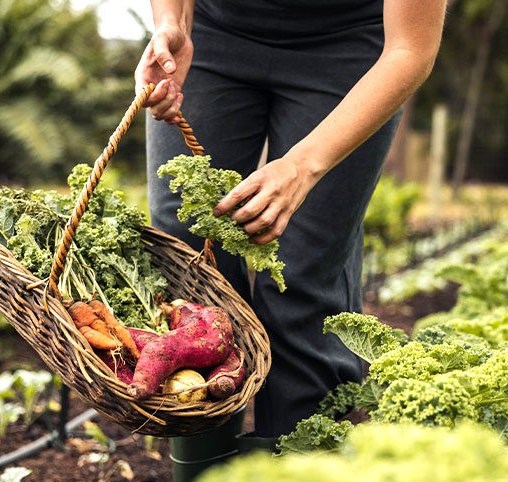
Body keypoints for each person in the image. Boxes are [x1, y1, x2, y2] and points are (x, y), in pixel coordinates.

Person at [137, 0, 446, 438]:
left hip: (347, 48)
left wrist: (302, 166)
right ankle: (203, 473)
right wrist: (172, 23)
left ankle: (294, 469)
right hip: (213, 33)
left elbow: (411, 49)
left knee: (300, 269)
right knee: (187, 251)